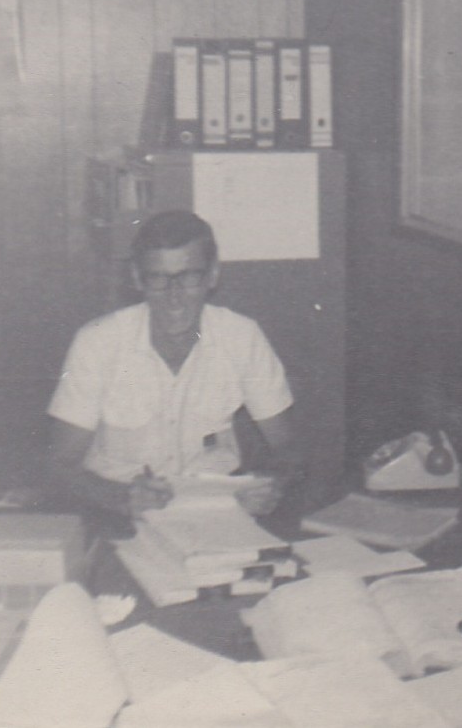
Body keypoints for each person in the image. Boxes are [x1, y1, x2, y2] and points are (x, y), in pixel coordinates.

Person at [46, 210, 299, 522]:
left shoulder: (242, 337)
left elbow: (289, 449)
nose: (174, 297)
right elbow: (58, 466)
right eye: (158, 279)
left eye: (189, 277)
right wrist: (120, 498)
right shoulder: (98, 342)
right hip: (118, 512)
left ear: (212, 275)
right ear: (137, 278)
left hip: (218, 511)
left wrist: (268, 485)